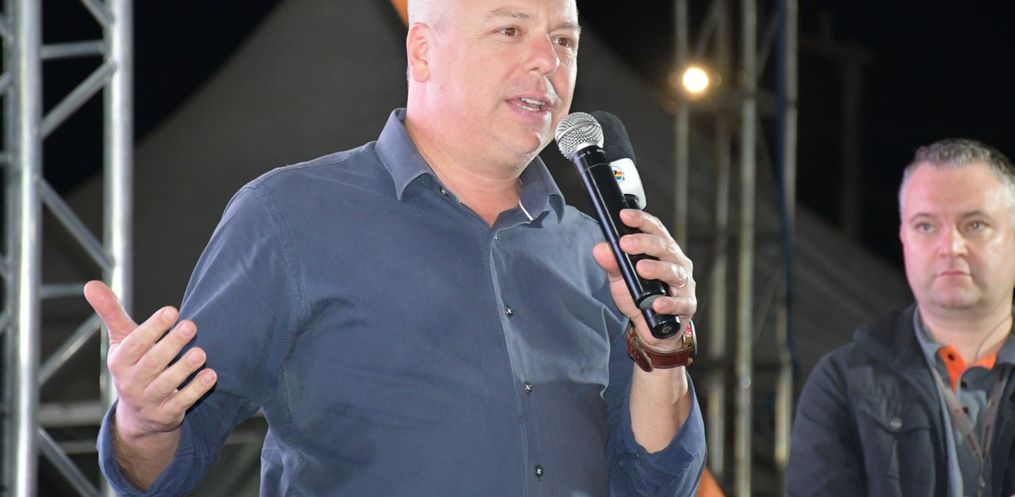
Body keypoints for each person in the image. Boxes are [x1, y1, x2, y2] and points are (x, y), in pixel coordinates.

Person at [86, 1, 707, 495]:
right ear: (423, 50)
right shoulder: (289, 216)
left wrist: (662, 351)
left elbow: (656, 484)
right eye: (510, 31)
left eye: (565, 41)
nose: (548, 60)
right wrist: (143, 425)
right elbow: (163, 469)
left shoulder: (599, 250)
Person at [785, 138, 1015, 497]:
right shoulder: (843, 384)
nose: (950, 247)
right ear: (903, 236)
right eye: (926, 226)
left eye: (974, 225)